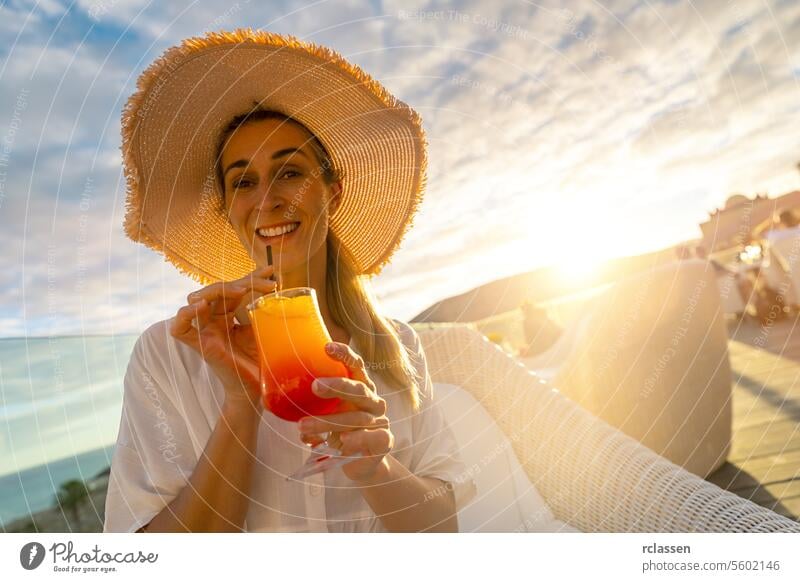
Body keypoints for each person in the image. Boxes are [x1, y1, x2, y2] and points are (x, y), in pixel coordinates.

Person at [104, 29, 475, 533]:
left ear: (333, 192)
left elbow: (442, 529)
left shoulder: (398, 346)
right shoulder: (170, 354)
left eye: (291, 173)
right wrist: (240, 406)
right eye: (243, 182)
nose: (267, 199)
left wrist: (375, 469)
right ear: (229, 211)